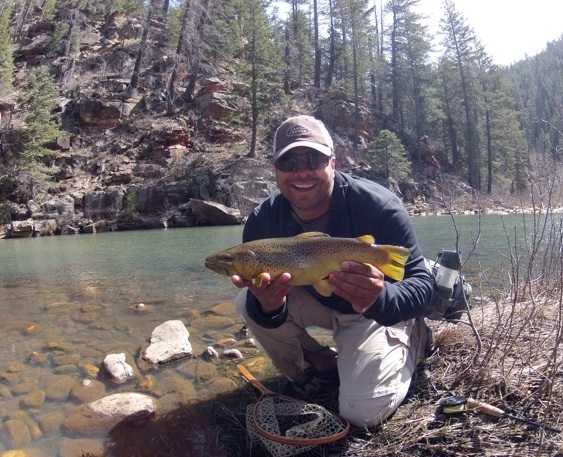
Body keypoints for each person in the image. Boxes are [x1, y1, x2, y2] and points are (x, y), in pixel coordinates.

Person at [232, 114, 433, 428]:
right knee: (248, 301)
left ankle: (414, 338)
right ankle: (319, 365)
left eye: (313, 159)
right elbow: (264, 309)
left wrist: (379, 297)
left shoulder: (378, 205)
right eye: (289, 162)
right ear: (276, 171)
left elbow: (421, 286)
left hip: (372, 313)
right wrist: (268, 306)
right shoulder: (262, 222)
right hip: (319, 298)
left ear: (333, 163)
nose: (301, 172)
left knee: (361, 413)